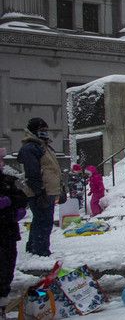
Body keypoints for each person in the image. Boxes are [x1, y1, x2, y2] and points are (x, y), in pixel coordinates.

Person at [17, 117, 62, 257]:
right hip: (41, 191)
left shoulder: (43, 146)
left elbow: (53, 169)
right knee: (44, 221)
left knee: (41, 220)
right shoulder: (31, 148)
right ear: (34, 131)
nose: (45, 133)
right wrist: (40, 191)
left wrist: (61, 188)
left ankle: (34, 248)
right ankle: (40, 251)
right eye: (42, 130)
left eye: (46, 130)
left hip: (47, 190)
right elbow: (33, 173)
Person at [0, 147, 28, 300]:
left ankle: (2, 301)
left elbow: (21, 197)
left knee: (7, 264)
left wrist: (18, 207)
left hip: (7, 230)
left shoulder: (7, 181)